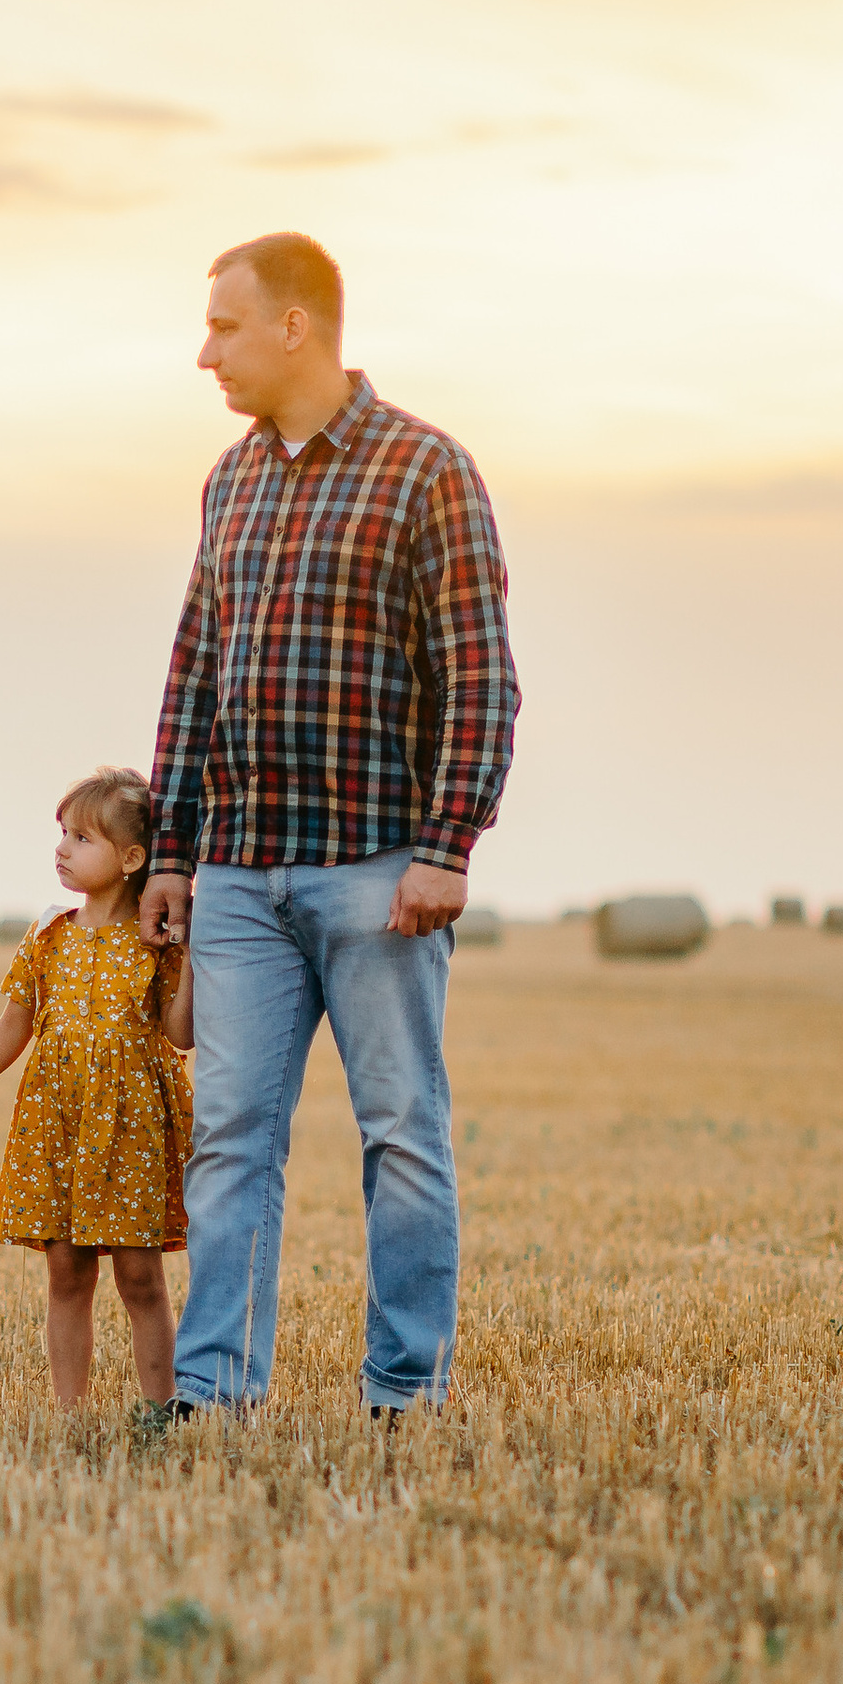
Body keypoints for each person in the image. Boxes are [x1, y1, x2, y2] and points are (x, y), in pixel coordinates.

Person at [143, 234, 519, 1417]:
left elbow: (478, 678)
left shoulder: (426, 472)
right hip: (243, 877)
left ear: (295, 325)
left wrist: (448, 843)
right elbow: (195, 672)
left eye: (224, 326)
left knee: (401, 1133)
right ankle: (215, 1395)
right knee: (228, 1143)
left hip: (377, 872)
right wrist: (171, 848)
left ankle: (403, 1394)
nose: (205, 352)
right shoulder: (231, 479)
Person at [0, 769, 194, 1410]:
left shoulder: (156, 944)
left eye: (82, 837)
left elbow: (180, 1034)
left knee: (139, 1274)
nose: (63, 848)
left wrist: (196, 958)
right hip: (58, 1117)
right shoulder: (49, 934)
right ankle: (70, 1410)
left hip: (131, 1124)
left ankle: (162, 1409)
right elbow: (14, 1022)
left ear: (132, 859)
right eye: (62, 834)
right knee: (67, 1268)